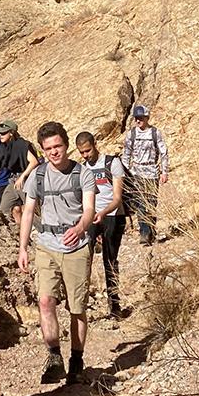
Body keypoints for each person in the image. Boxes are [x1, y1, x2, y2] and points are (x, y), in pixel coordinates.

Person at [17, 121, 97, 384]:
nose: (54, 152)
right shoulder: (37, 176)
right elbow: (28, 211)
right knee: (45, 301)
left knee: (77, 307)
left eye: (58, 146)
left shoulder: (82, 174)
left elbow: (88, 210)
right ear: (42, 149)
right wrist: (23, 247)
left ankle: (76, 359)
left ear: (66, 144)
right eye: (48, 148)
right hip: (46, 245)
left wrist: (80, 227)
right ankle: (54, 357)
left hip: (76, 247)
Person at [76, 131, 128, 318]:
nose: (85, 155)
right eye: (82, 152)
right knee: (83, 257)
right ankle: (79, 304)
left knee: (110, 259)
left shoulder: (112, 163)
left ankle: (115, 305)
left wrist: (103, 213)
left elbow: (117, 197)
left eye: (88, 151)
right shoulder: (82, 169)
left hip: (112, 214)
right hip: (91, 216)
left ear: (95, 145)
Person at [121, 105, 169, 246]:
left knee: (152, 203)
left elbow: (163, 153)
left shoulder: (155, 133)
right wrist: (124, 173)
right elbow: (126, 154)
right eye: (136, 118)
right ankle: (144, 233)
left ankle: (151, 232)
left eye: (140, 118)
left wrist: (164, 172)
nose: (138, 120)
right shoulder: (132, 134)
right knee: (141, 203)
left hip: (152, 172)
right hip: (137, 172)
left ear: (147, 118)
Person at [0, 120, 40, 226]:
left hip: (26, 180)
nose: (0, 135)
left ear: (11, 133)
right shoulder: (5, 147)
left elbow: (34, 162)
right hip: (13, 181)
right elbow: (1, 166)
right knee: (3, 210)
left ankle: (44, 231)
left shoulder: (21, 144)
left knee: (32, 210)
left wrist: (22, 177)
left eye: (3, 133)